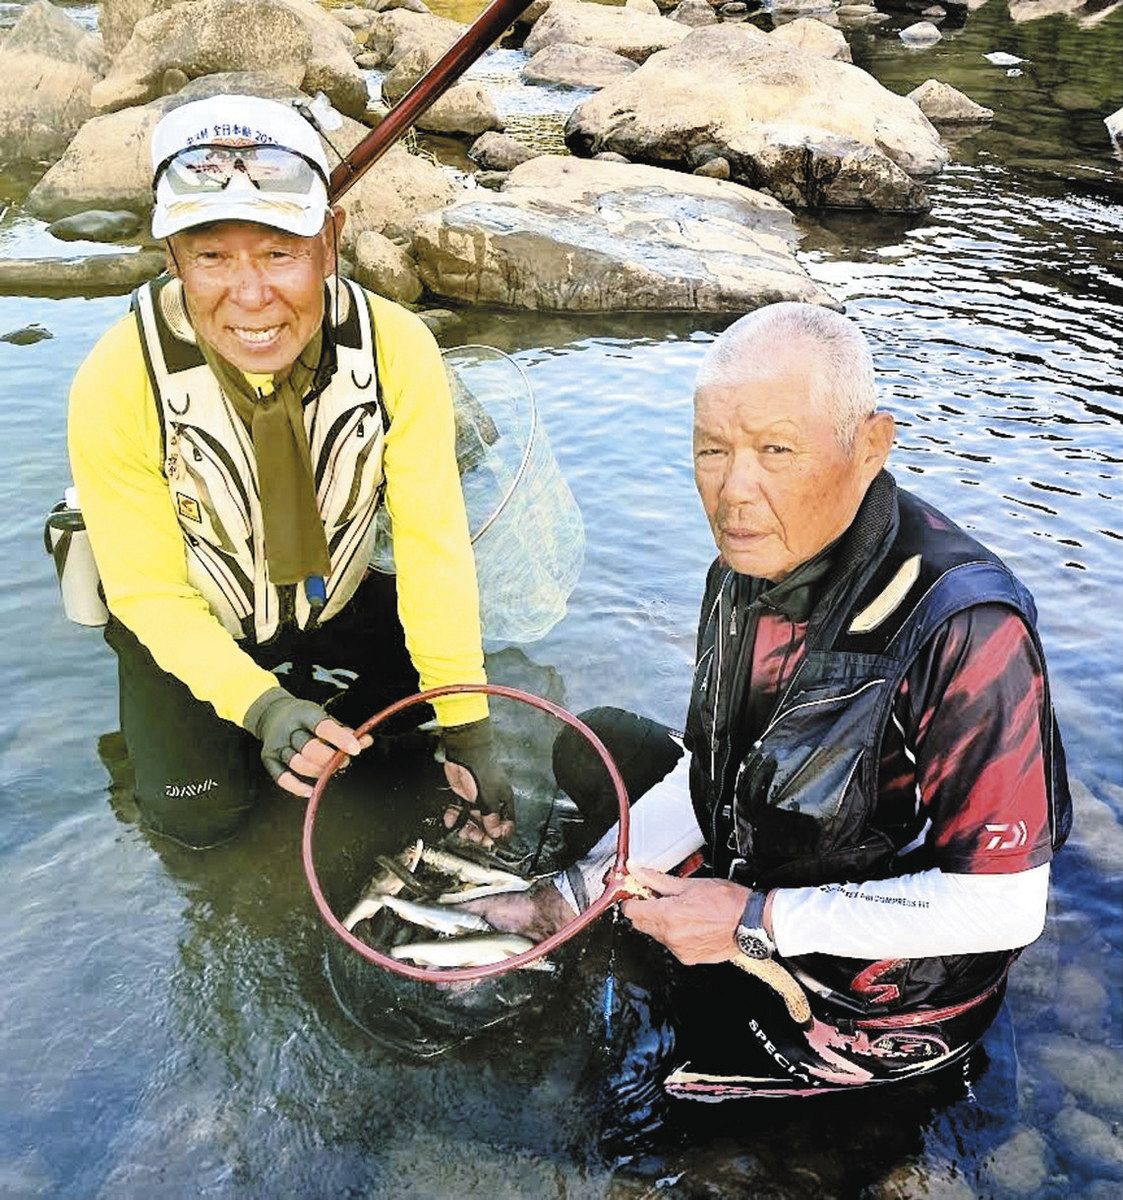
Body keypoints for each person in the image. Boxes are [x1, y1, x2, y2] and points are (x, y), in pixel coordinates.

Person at [479, 301, 1071, 1097]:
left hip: (887, 985)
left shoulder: (965, 626)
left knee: (673, 1118)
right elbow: (714, 773)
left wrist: (753, 922)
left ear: (869, 447)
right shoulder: (740, 574)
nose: (734, 492)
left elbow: (1003, 909)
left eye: (776, 450)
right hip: (774, 868)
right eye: (711, 450)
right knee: (603, 746)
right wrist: (568, 895)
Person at [68, 93, 512, 849]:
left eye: (280, 252)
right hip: (193, 610)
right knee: (199, 823)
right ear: (172, 258)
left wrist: (467, 727)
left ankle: (307, 690)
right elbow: (149, 591)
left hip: (336, 594)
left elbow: (433, 545)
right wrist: (258, 705)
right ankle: (171, 738)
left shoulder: (398, 349)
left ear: (330, 242)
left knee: (401, 765)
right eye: (211, 256)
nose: (249, 296)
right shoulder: (116, 378)